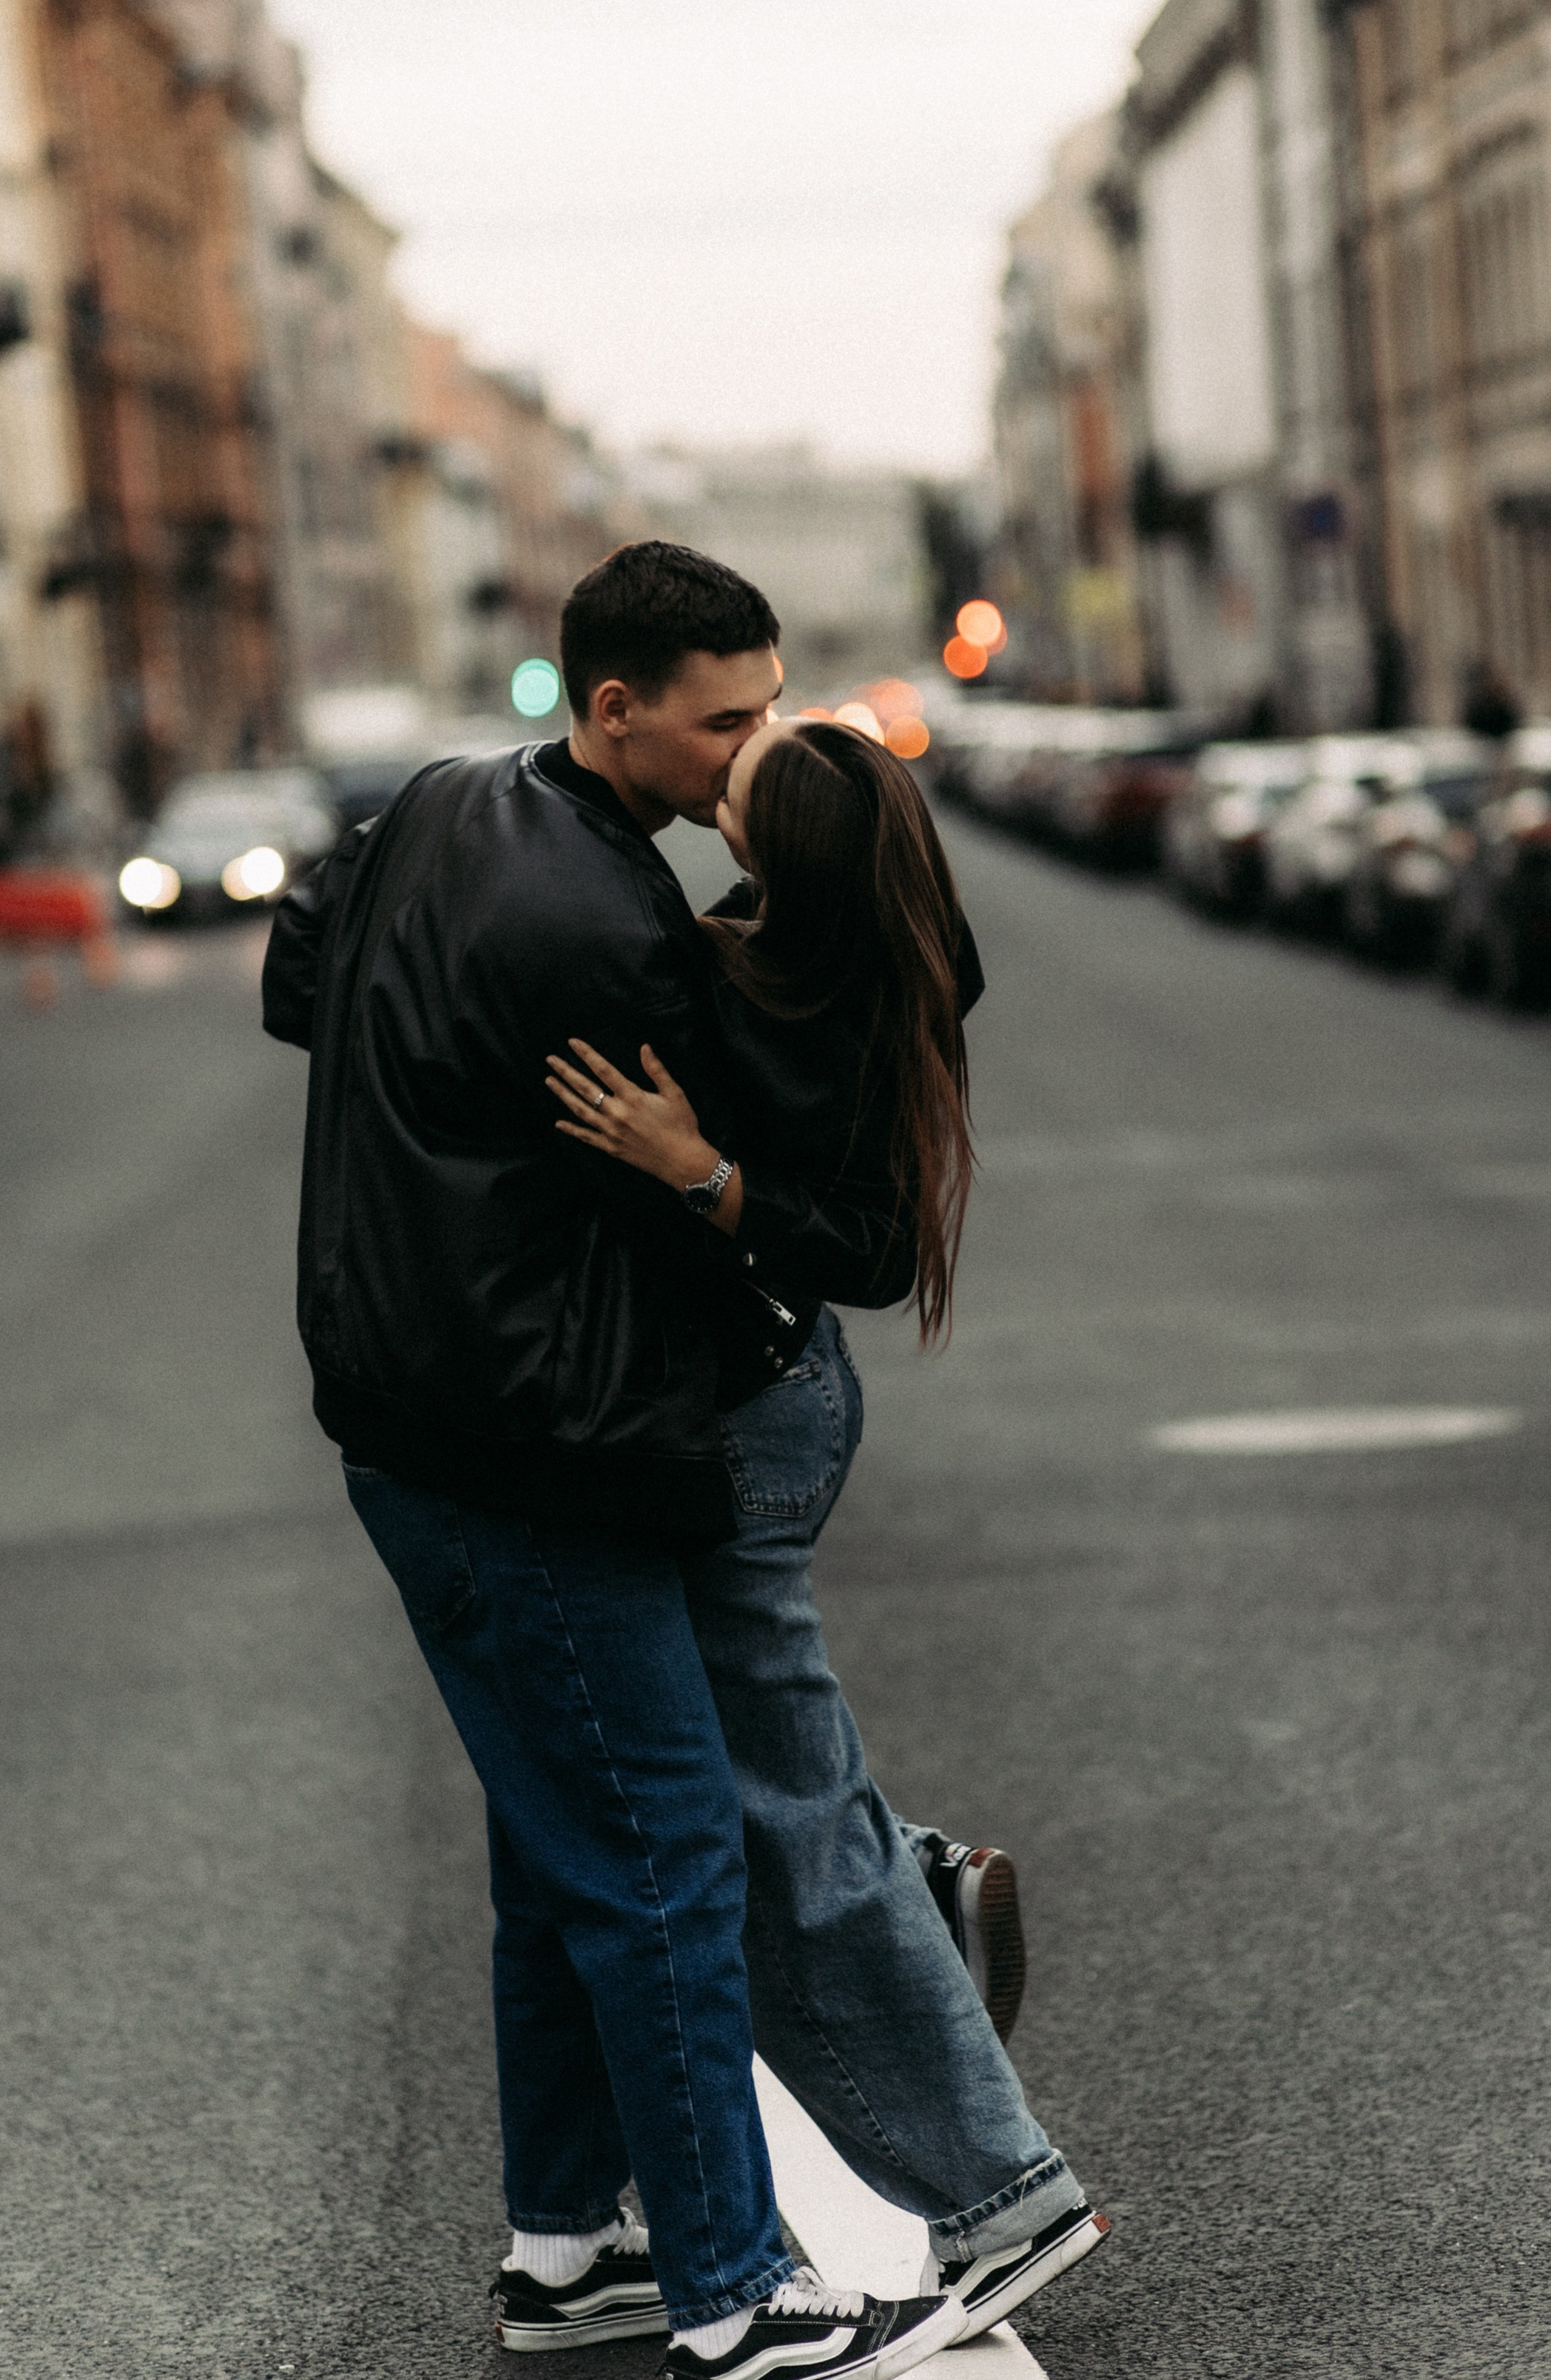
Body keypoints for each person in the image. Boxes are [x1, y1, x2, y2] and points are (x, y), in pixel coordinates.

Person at [263, 544, 966, 2380]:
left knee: (550, 1863)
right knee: (665, 1865)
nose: (754, 749)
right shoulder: (622, 930)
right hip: (537, 1443)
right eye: (726, 719)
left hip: (412, 1404)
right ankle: (737, 2290)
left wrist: (434, 1120)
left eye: (769, 708)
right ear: (612, 710)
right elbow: (818, 1175)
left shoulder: (429, 804)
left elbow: (297, 983)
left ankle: (570, 2250)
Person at [540, 714, 1108, 2347]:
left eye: (741, 780)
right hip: (766, 1406)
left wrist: (699, 1169)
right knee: (710, 1779)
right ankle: (593, 2211)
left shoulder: (811, 989)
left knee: (768, 1796)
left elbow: (857, 1243)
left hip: (757, 1416)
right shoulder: (805, 946)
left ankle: (1000, 2193)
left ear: (778, 847)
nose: (714, 783)